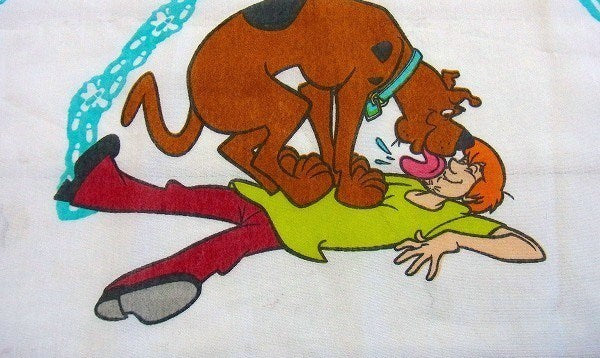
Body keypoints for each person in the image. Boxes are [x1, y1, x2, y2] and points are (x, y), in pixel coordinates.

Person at [55, 135, 545, 325]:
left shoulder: (451, 218)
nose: (453, 167)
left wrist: (454, 239)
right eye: (458, 160)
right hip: (280, 199)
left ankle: (140, 288)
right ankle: (101, 188)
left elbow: (527, 249)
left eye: (468, 171)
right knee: (189, 198)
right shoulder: (405, 182)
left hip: (293, 228)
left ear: (477, 194)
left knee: (221, 247)